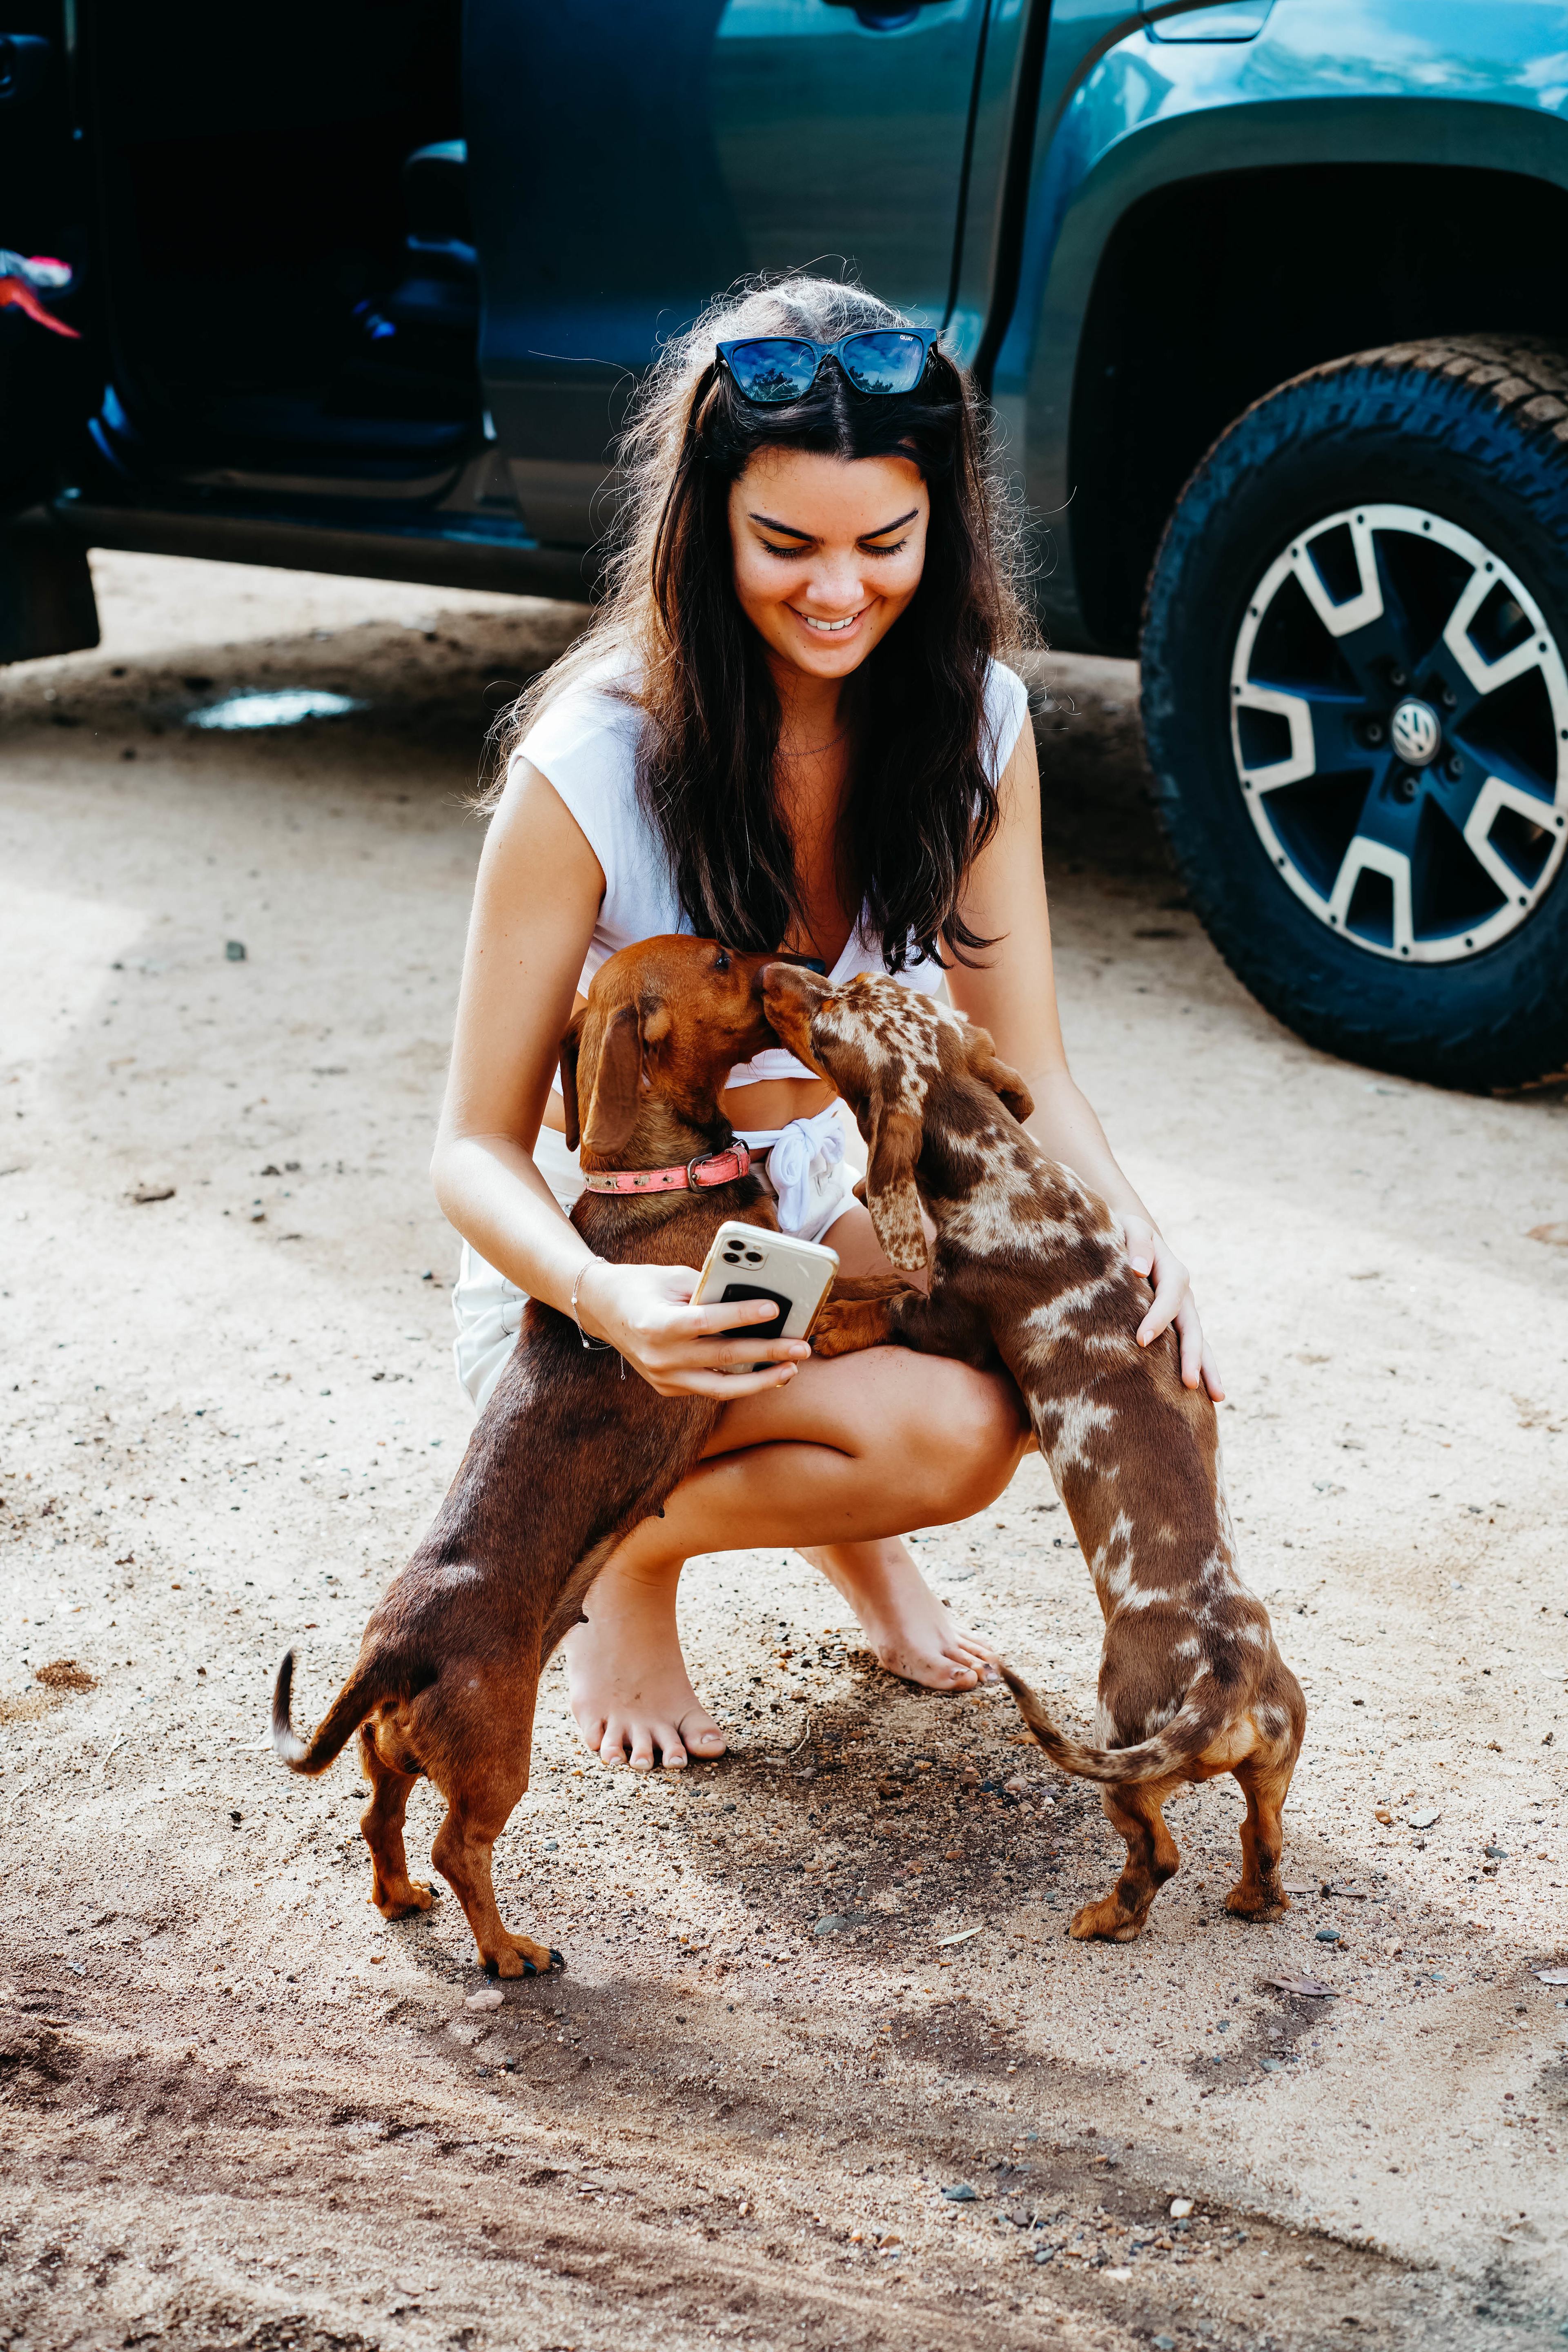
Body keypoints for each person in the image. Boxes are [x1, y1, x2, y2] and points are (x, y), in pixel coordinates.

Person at [432, 276, 1223, 1774]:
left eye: (889, 544)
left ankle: (837, 1540)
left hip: (826, 1232)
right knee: (933, 1430)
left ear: (947, 529)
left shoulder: (975, 720)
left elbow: (1028, 1057)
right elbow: (473, 1145)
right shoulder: (591, 758)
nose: (841, 591)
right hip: (619, 1285)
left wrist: (1134, 1227)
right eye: (786, 545)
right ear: (706, 526)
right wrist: (611, 1313)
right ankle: (616, 1561)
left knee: (1059, 1361)